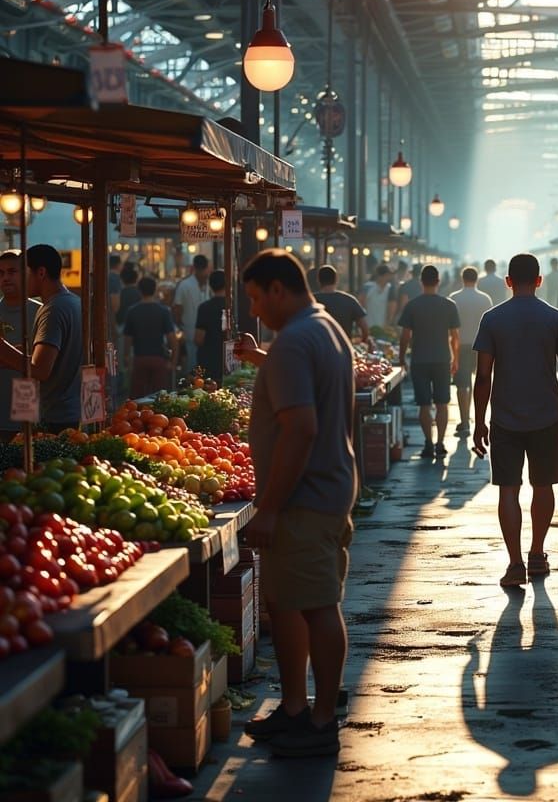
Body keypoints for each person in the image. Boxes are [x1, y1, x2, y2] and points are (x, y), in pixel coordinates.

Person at [234, 249, 354, 758]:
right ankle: (294, 708)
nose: (256, 310)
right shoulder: (323, 327)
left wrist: (272, 506)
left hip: (305, 498)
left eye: (258, 299)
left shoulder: (295, 340)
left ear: (278, 289)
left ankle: (321, 719)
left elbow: (301, 428)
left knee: (318, 605)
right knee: (286, 602)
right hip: (325, 488)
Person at [473, 253, 558, 587]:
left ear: (507, 281)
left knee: (508, 489)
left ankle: (515, 562)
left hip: (504, 418)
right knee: (543, 485)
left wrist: (479, 421)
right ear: (539, 280)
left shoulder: (492, 319)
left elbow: (483, 376)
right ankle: (536, 553)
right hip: (547, 416)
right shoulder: (555, 318)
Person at [0, 244, 83, 430]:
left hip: (56, 416)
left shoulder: (53, 310)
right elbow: (42, 355)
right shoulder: (73, 302)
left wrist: (3, 347)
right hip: (71, 410)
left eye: (24, 272)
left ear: (41, 273)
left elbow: (40, 370)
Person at [398, 265, 460, 459]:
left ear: (421, 282)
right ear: (438, 281)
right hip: (442, 359)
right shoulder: (449, 305)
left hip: (420, 360)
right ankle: (440, 443)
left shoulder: (413, 306)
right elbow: (455, 336)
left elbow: (405, 335)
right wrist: (455, 358)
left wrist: (401, 358)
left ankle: (427, 444)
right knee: (442, 403)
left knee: (424, 404)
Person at [0, 251, 40, 442]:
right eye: (1, 273)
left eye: (12, 272)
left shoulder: (42, 313)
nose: (5, 278)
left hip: (33, 417)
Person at [449, 267, 492, 437]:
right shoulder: (485, 299)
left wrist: (452, 352)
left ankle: (464, 420)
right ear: (477, 279)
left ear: (462, 278)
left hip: (460, 344)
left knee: (462, 384)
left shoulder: (454, 298)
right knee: (480, 382)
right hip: (481, 345)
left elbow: (451, 329)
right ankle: (479, 418)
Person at [123, 276, 177, 397]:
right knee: (160, 398)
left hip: (139, 358)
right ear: (155, 290)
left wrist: (126, 358)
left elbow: (128, 339)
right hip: (159, 359)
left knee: (138, 399)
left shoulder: (132, 311)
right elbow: (172, 339)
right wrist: (173, 361)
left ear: (139, 291)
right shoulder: (164, 311)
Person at [173, 254, 211, 374]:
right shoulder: (185, 285)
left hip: (204, 334)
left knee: (199, 366)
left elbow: (177, 309)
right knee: (192, 366)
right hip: (190, 332)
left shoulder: (208, 285)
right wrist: (180, 328)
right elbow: (177, 309)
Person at [314, 265, 371, 344]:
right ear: (336, 279)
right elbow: (364, 328)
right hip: (343, 349)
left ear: (318, 280)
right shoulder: (349, 300)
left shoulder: (311, 301)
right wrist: (361, 341)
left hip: (317, 348)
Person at [194, 269, 228, 384]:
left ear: (211, 285)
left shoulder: (204, 308)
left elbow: (198, 339)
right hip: (228, 360)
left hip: (208, 360)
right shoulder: (232, 307)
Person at [361, 263, 396, 329]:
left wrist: (388, 322)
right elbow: (361, 303)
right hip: (367, 324)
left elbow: (392, 307)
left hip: (382, 326)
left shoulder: (390, 289)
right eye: (387, 275)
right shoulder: (368, 287)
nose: (389, 277)